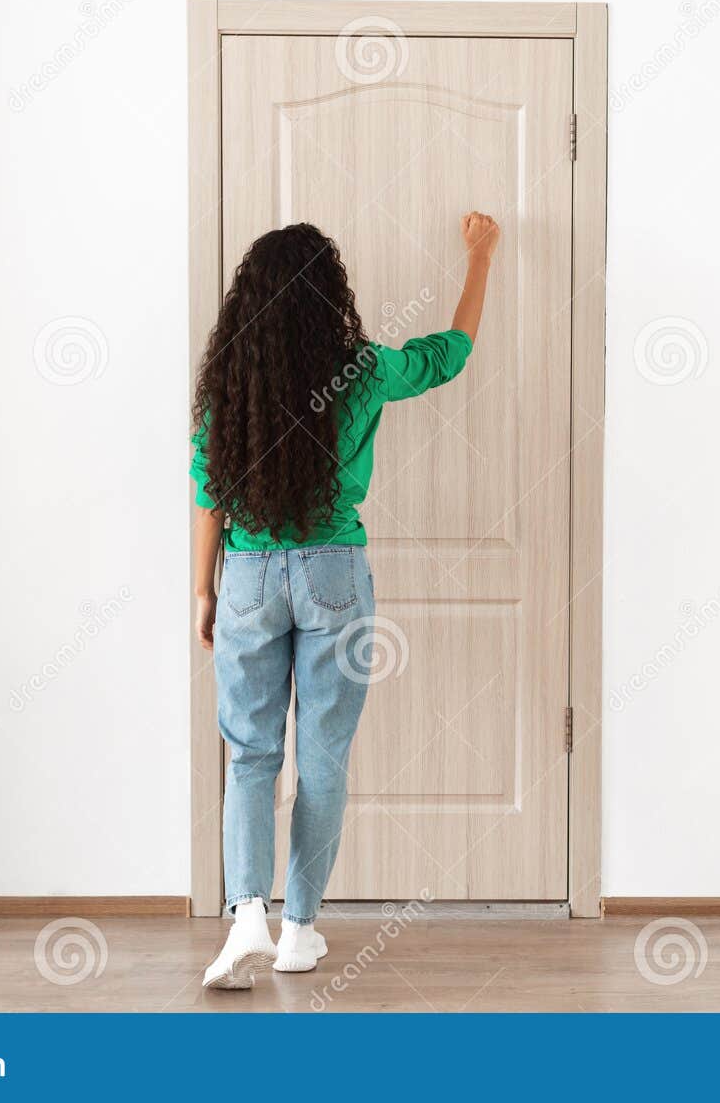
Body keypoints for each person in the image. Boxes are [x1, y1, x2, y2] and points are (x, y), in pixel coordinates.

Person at [191, 212, 501, 987]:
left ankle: (247, 919)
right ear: (330, 296)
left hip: (250, 574)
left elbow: (207, 490)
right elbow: (449, 355)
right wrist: (479, 257)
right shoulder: (361, 370)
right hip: (334, 573)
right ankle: (298, 929)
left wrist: (203, 588)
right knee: (322, 757)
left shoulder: (231, 377)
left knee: (252, 754)